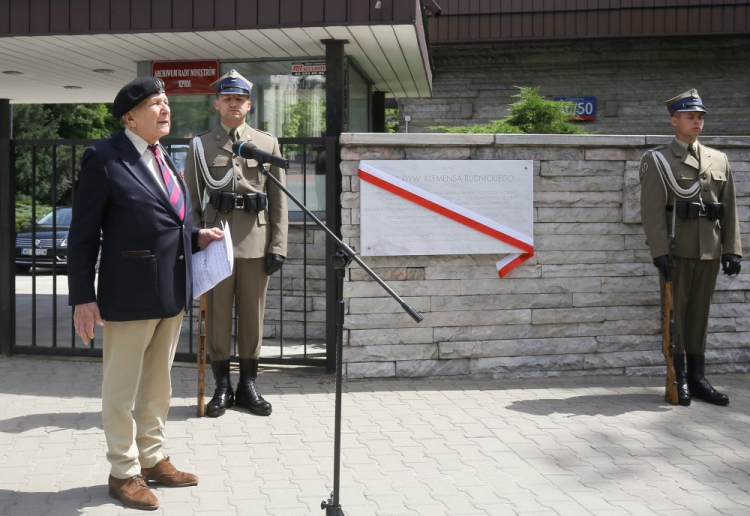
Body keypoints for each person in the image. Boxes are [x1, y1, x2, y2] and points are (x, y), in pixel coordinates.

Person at [67, 76, 224, 511]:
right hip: (128, 293)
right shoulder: (103, 157)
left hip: (171, 289)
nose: (166, 109)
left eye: (167, 101)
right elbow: (82, 235)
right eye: (156, 103)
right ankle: (123, 472)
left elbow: (165, 221)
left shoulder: (165, 156)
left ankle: (153, 459)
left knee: (158, 383)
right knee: (121, 388)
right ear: (130, 116)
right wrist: (83, 296)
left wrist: (196, 237)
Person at [184, 70, 288, 418]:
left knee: (252, 318)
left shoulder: (267, 143)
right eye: (227, 98)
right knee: (217, 318)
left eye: (239, 99)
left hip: (256, 242)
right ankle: (222, 386)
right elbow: (191, 200)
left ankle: (248, 385)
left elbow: (278, 201)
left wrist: (278, 245)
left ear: (249, 105)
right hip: (216, 242)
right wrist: (196, 239)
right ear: (217, 104)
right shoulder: (201, 145)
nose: (233, 104)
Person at [639, 89, 742, 407]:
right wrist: (659, 252)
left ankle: (698, 379)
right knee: (676, 316)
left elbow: (729, 207)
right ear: (675, 121)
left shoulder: (718, 159)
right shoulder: (658, 160)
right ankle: (678, 378)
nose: (697, 121)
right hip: (677, 250)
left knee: (699, 316)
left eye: (700, 117)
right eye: (690, 116)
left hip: (709, 251)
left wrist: (732, 249)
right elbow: (652, 211)